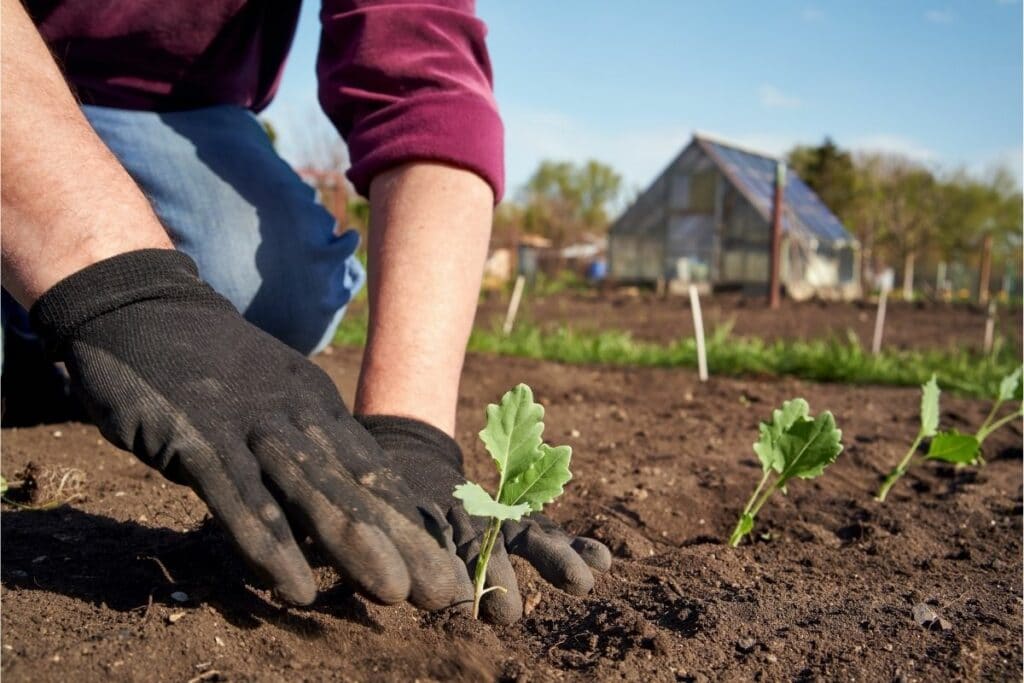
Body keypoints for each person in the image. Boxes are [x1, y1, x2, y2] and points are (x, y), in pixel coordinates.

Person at [1, 0, 610, 623]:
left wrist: (412, 435)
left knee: (273, 290)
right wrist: (125, 291)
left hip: (168, 107)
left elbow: (424, 81)